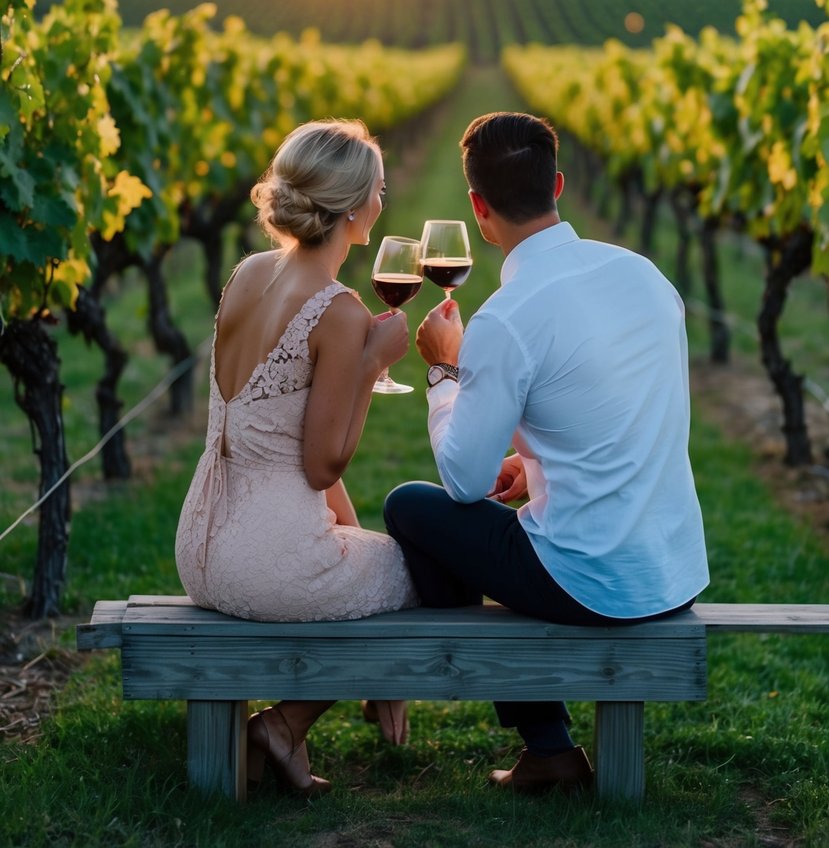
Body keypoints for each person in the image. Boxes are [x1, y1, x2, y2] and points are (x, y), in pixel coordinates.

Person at [384, 111, 709, 794]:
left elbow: (463, 482)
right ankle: (545, 745)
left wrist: (444, 371)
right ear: (556, 184)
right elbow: (619, 418)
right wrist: (531, 467)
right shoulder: (643, 274)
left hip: (595, 584)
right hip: (671, 568)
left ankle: (529, 728)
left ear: (477, 209)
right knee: (476, 520)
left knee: (412, 505)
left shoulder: (506, 316)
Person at [175, 118, 418, 797]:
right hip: (264, 562)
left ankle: (294, 727)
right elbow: (321, 465)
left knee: (372, 554)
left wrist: (348, 528)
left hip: (201, 547)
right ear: (352, 206)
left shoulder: (248, 273)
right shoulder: (337, 310)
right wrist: (372, 362)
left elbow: (274, 440)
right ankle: (285, 724)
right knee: (429, 567)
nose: (384, 195)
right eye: (379, 185)